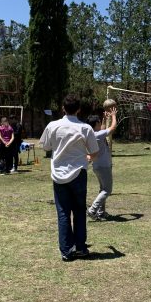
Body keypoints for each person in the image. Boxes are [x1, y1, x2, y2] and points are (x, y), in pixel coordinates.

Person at [39, 94, 99, 262]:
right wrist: (87, 157)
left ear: (63, 108)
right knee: (79, 211)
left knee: (63, 212)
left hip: (58, 174)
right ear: (79, 109)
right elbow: (94, 151)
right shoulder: (85, 128)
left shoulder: (53, 126)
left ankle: (66, 250)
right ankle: (80, 247)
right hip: (79, 172)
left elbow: (45, 145)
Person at [86, 107, 118, 221]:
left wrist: (104, 118)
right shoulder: (97, 135)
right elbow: (112, 128)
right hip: (103, 166)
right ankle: (93, 210)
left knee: (102, 189)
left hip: (97, 166)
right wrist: (113, 115)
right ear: (96, 124)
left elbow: (103, 129)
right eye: (99, 121)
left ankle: (101, 212)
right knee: (107, 190)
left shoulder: (92, 134)